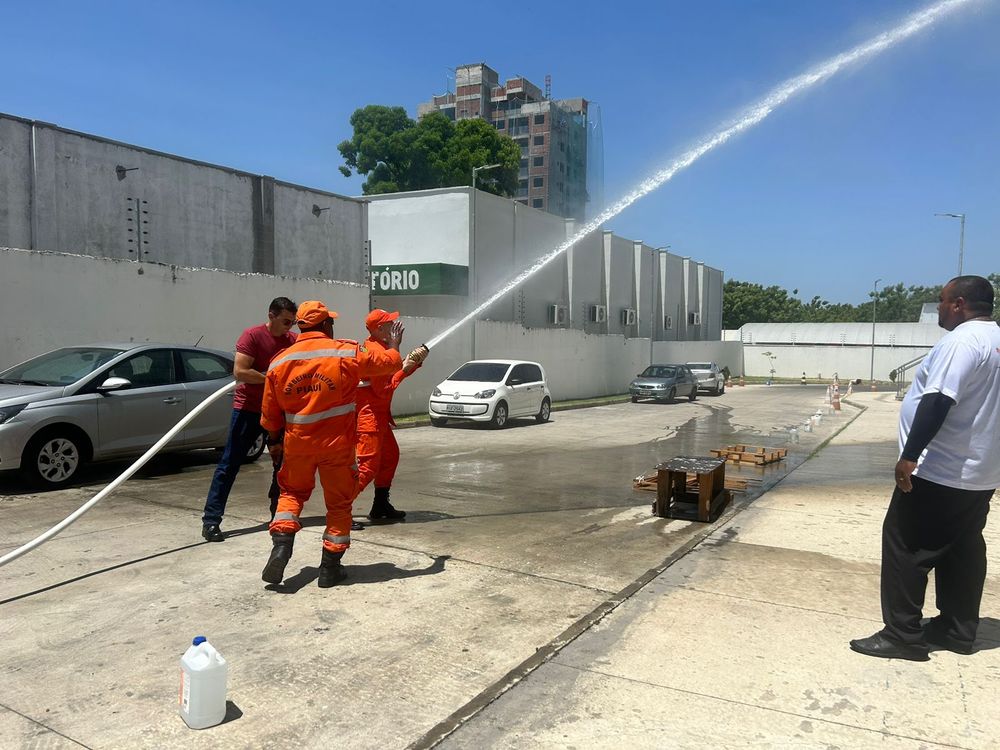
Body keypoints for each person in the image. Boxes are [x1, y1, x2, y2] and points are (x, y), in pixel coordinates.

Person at [851, 276, 1000, 661]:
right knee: (962, 549)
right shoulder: (995, 340)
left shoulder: (962, 341)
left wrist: (910, 455)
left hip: (942, 470)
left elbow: (937, 400)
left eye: (942, 300)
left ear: (959, 303)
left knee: (904, 545)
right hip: (980, 474)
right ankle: (957, 628)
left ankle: (902, 635)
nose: (938, 307)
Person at [259, 301, 426, 588]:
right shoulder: (345, 352)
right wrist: (396, 346)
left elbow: (270, 416)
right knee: (339, 504)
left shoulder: (279, 362)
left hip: (297, 444)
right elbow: (389, 365)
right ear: (326, 325)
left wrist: (275, 444)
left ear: (301, 326)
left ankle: (281, 548)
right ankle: (330, 569)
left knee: (291, 494)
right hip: (336, 445)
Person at [201, 297, 297, 542]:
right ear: (271, 315)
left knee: (282, 466)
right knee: (230, 463)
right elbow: (240, 371)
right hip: (249, 410)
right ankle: (211, 521)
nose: (290, 327)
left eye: (293, 322)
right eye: (286, 321)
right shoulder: (252, 336)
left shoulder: (293, 341)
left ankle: (278, 514)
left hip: (277, 412)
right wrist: (272, 379)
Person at [354, 309, 430, 526]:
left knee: (389, 457)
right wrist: (406, 368)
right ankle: (340, 509)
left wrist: (408, 363)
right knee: (367, 467)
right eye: (390, 323)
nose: (396, 326)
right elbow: (384, 389)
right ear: (379, 329)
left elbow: (390, 374)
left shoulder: (383, 348)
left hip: (378, 414)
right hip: (368, 416)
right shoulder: (374, 351)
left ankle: (380, 506)